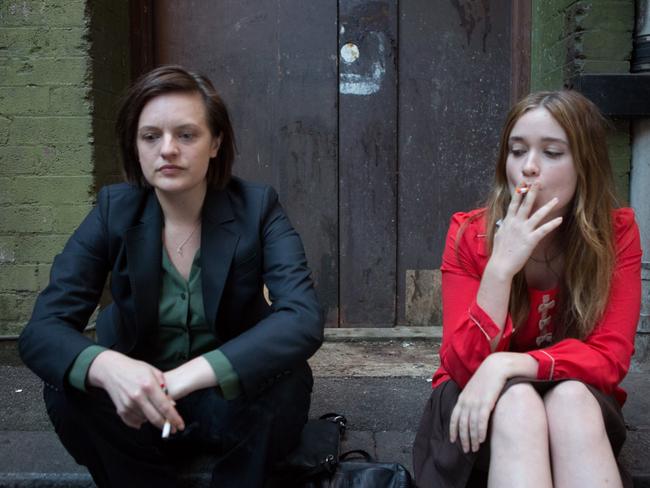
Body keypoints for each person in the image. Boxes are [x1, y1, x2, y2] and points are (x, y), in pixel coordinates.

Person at [19, 65, 324, 488]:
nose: (168, 150)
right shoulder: (113, 210)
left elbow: (302, 318)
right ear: (136, 145)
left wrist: (183, 377)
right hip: (136, 409)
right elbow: (42, 329)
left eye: (186, 134)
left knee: (287, 380)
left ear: (215, 142)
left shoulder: (257, 208)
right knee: (68, 385)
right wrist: (109, 367)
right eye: (151, 136)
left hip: (229, 404)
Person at [413, 90, 642, 488]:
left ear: (584, 165)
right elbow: (464, 367)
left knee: (569, 400)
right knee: (519, 403)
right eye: (517, 151)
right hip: (474, 410)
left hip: (577, 408)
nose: (528, 168)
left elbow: (610, 359)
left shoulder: (616, 233)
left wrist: (510, 363)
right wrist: (501, 268)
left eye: (552, 152)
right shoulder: (470, 233)